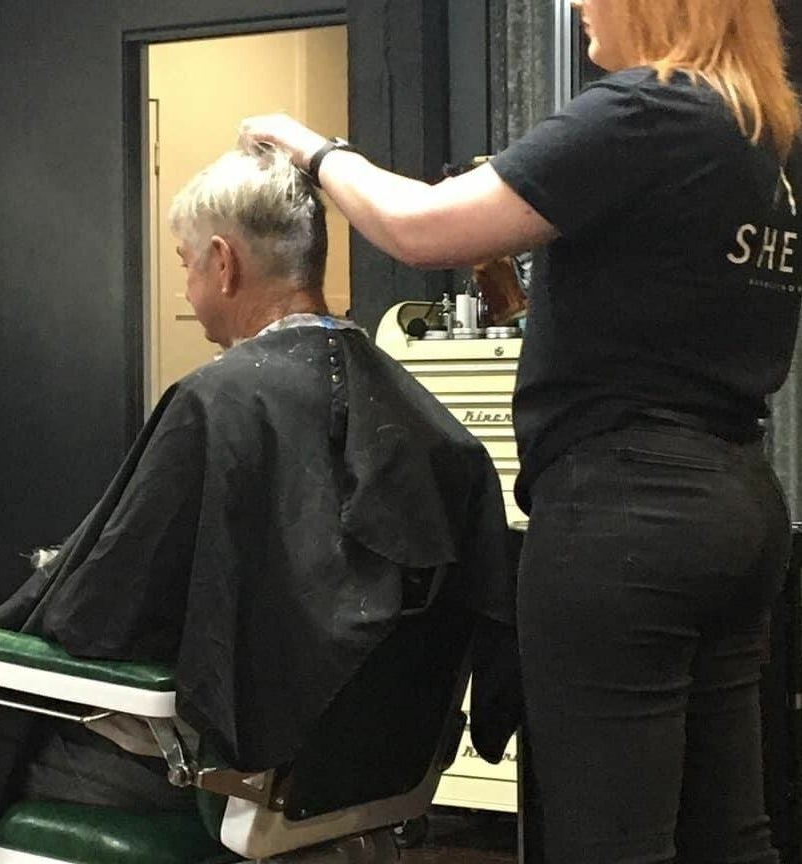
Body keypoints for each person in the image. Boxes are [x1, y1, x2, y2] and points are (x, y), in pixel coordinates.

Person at [0, 148, 512, 863]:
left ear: (222, 262)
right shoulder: (430, 424)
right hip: (344, 775)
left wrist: (59, 581)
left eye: (184, 263)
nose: (188, 288)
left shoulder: (218, 404)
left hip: (194, 773)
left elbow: (97, 618)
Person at [240, 1, 802, 862]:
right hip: (735, 509)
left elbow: (419, 228)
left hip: (625, 521)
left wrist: (310, 149)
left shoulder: (645, 109)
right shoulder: (756, 138)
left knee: (608, 844)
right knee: (724, 837)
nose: (579, 6)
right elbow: (658, 320)